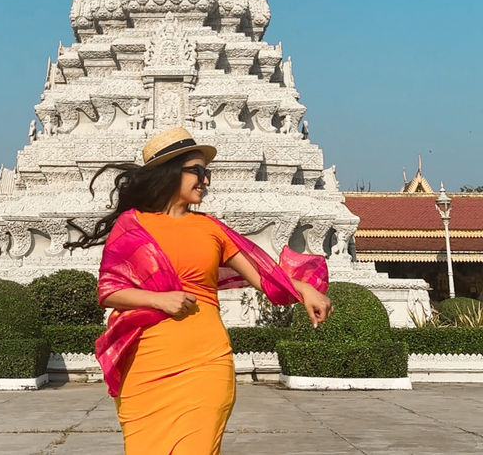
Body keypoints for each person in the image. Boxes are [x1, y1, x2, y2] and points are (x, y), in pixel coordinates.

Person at [65, 127, 332, 454]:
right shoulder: (131, 226)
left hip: (206, 361)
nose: (206, 181)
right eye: (198, 172)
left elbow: (263, 276)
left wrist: (304, 290)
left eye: (207, 173)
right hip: (146, 365)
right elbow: (108, 292)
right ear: (170, 172)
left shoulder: (211, 229)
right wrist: (158, 299)